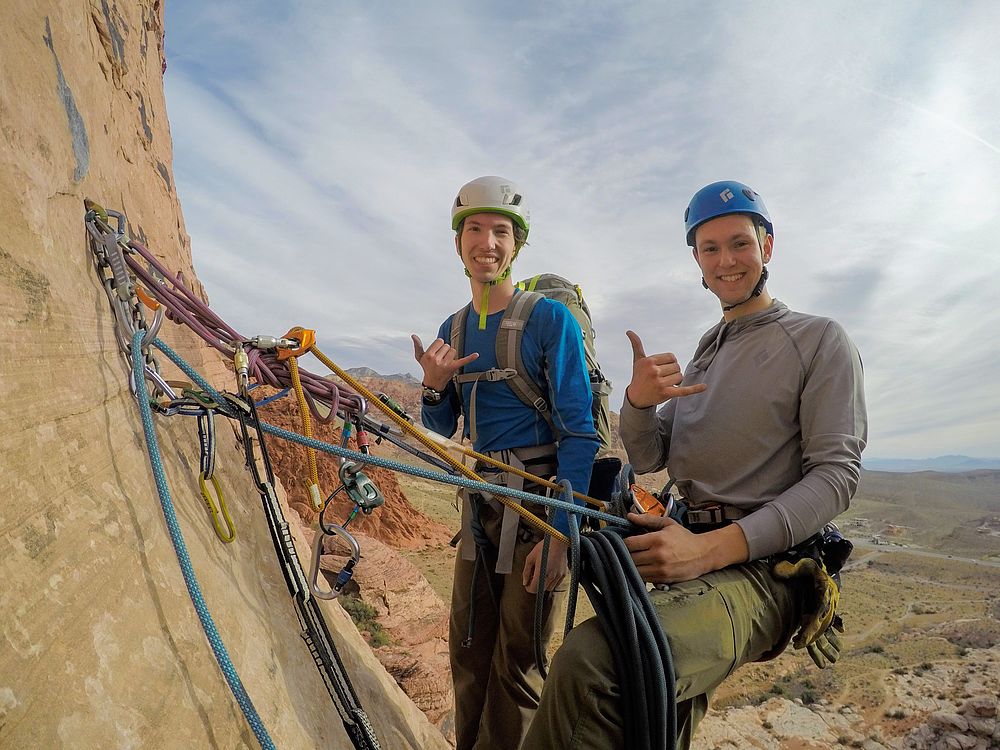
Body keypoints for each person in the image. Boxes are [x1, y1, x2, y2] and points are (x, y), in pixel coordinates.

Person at [521, 180, 868, 749]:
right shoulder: (711, 346)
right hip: (688, 550)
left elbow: (836, 476)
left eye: (739, 244)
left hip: (761, 569)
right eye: (710, 249)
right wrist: (637, 402)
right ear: (697, 261)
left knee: (591, 665)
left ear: (768, 248)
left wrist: (711, 548)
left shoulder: (817, 339)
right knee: (653, 720)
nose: (726, 261)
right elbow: (654, 453)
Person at [411, 175, 600, 750]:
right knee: (467, 651)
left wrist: (562, 531)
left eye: (500, 231)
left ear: (516, 244)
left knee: (517, 663)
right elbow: (444, 429)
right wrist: (434, 387)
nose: (486, 242)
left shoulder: (549, 321)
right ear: (458, 242)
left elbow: (578, 432)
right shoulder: (455, 328)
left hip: (538, 509)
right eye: (474, 229)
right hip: (480, 510)